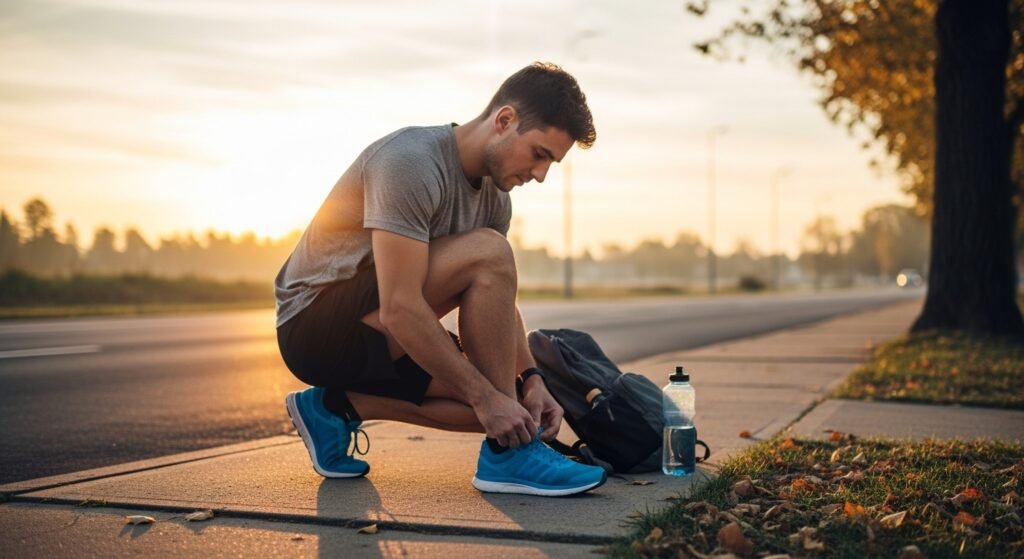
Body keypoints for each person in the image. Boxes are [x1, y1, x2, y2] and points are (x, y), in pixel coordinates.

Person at [275, 62, 606, 497]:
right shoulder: (410, 161)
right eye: (540, 154)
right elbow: (399, 307)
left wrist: (530, 380)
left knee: (516, 412)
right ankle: (508, 458)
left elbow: (498, 298)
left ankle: (332, 408)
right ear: (504, 121)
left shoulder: (495, 198)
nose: (541, 175)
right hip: (315, 326)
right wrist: (489, 397)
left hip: (379, 330)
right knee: (492, 395)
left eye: (552, 164)